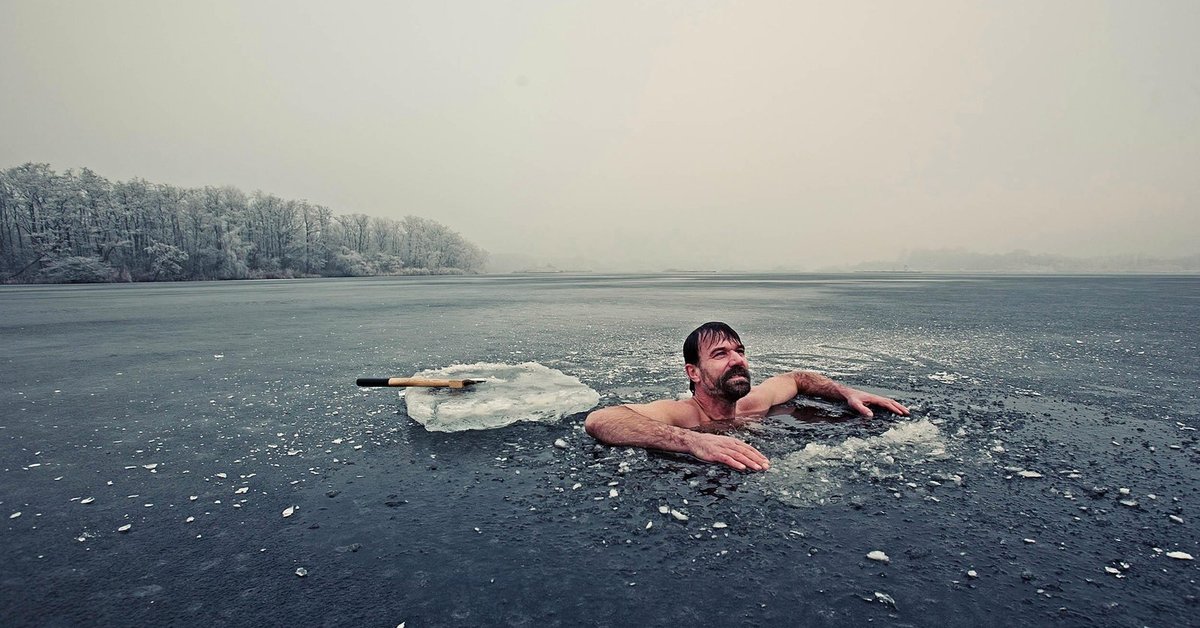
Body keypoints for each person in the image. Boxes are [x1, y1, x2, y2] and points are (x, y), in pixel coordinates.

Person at [584, 321, 910, 471]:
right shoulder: (683, 415)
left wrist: (847, 393)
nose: (738, 360)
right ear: (693, 372)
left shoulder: (753, 404)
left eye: (740, 351)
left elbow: (797, 378)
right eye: (721, 354)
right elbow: (601, 419)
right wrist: (692, 441)